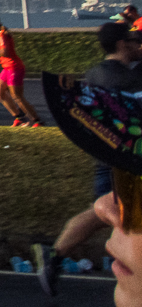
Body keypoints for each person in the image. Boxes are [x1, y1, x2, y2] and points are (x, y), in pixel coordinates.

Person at [32, 21, 142, 295]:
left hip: (111, 157)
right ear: (121, 45)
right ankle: (54, 255)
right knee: (108, 214)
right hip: (120, 161)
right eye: (132, 41)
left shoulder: (97, 73)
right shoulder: (123, 78)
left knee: (111, 217)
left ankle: (56, 256)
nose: (137, 45)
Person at [0, 15, 42, 127]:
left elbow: (5, 52)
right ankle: (18, 118)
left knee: (17, 96)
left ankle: (36, 120)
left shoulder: (2, 35)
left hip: (14, 68)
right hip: (7, 68)